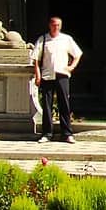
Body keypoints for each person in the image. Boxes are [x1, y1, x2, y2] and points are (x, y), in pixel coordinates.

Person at [32, 15, 82, 143]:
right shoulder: (43, 39)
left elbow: (77, 54)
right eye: (54, 25)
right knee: (47, 105)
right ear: (50, 25)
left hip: (62, 74)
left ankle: (67, 133)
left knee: (64, 104)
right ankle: (47, 133)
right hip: (47, 75)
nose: (56, 27)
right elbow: (36, 60)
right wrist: (37, 75)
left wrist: (71, 67)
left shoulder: (66, 39)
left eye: (58, 25)